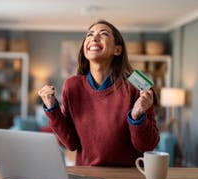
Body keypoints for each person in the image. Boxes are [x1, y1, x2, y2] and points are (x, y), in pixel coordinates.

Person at [38, 20, 160, 166]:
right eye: (89, 35)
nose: (94, 38)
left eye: (103, 34)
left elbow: (148, 146)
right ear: (85, 48)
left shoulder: (136, 85)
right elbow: (70, 144)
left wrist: (137, 116)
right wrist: (52, 108)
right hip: (87, 177)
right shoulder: (72, 86)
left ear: (117, 50)